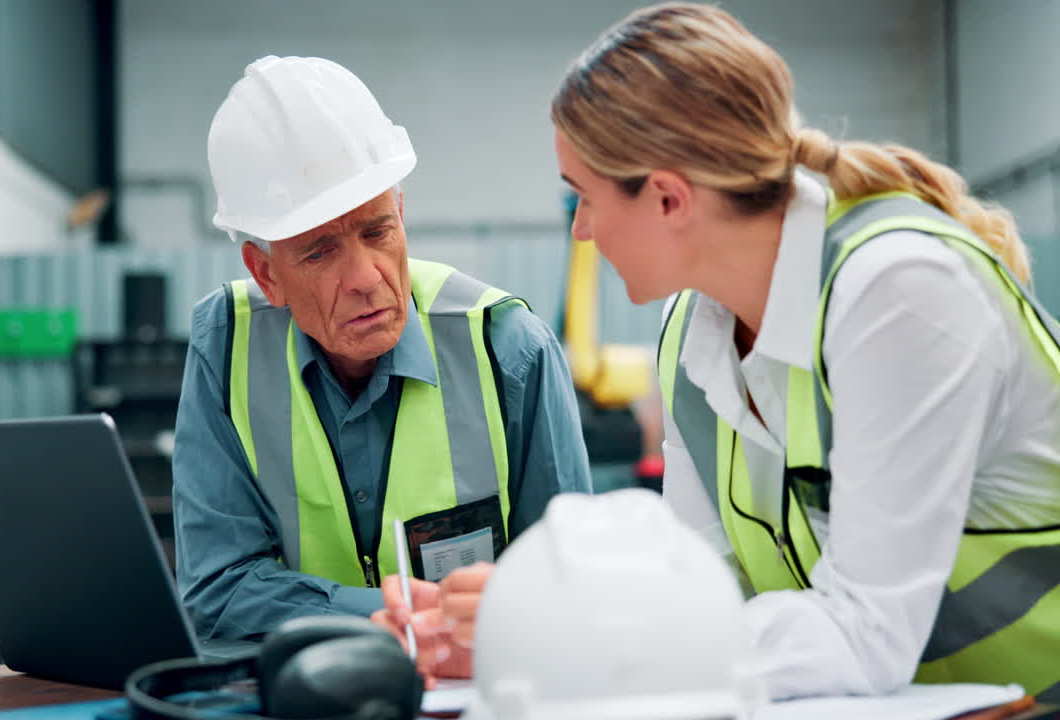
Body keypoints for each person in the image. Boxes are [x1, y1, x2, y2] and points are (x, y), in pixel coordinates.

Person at [377, 2, 1060, 702]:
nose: (580, 230)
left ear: (669, 199)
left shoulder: (898, 289)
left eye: (583, 197)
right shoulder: (690, 333)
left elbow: (866, 633)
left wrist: (562, 629)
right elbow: (697, 592)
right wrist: (531, 646)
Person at [173, 55, 592, 642]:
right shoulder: (226, 348)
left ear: (401, 214)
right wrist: (397, 622)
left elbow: (571, 590)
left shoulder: (510, 351)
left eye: (376, 232)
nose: (366, 276)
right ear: (265, 274)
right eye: (319, 251)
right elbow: (218, 594)